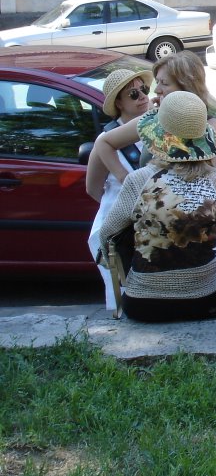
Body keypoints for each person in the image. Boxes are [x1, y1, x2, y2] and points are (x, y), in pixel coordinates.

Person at [98, 91, 216, 322]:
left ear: (158, 137)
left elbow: (107, 236)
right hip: (212, 298)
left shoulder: (139, 179)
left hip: (144, 304)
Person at [92, 50, 216, 185]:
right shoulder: (153, 119)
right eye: (157, 82)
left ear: (187, 87)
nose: (157, 90)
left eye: (164, 83)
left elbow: (197, 165)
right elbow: (103, 143)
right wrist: (127, 181)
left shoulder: (211, 125)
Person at [85, 68, 153, 312]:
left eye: (144, 89)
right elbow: (93, 189)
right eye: (133, 94)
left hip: (151, 227)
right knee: (122, 297)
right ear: (119, 103)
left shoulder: (155, 128)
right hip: (116, 234)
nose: (143, 96)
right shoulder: (106, 140)